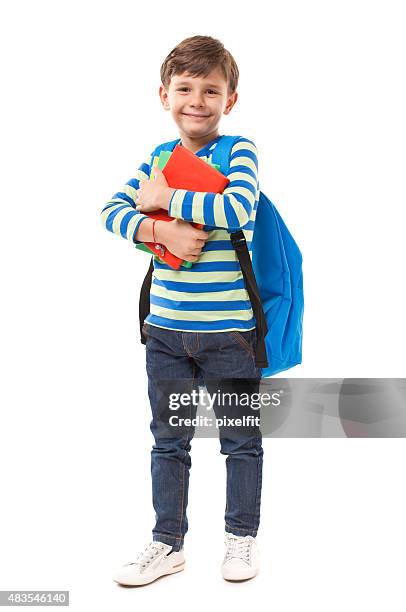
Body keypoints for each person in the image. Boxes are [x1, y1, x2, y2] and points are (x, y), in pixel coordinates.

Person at [101, 34, 263, 585]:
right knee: (169, 442)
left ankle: (241, 539)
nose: (197, 100)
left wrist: (165, 198)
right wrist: (158, 228)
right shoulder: (158, 158)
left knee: (239, 440)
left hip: (229, 333)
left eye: (210, 90)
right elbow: (111, 211)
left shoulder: (238, 150)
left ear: (230, 100)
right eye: (185, 88)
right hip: (166, 331)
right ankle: (166, 543)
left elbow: (238, 208)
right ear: (164, 94)